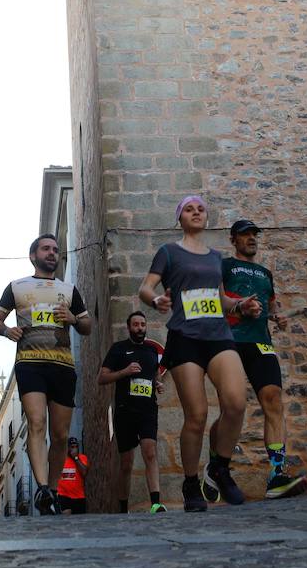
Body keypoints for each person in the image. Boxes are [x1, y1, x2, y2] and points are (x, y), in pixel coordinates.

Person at [138, 195, 261, 512]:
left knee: (235, 402)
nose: (196, 213)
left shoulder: (215, 257)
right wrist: (156, 302)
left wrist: (239, 305)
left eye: (201, 209)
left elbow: (219, 298)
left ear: (207, 217)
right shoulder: (168, 252)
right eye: (189, 209)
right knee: (197, 415)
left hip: (219, 336)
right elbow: (146, 288)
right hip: (185, 338)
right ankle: (190, 482)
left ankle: (220, 465)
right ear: (180, 218)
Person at [0, 234, 93, 515]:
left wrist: (73, 319)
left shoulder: (69, 290)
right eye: (46, 249)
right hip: (30, 362)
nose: (52, 253)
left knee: (59, 435)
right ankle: (43, 488)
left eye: (56, 250)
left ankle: (55, 488)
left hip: (62, 365)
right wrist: (7, 330)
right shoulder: (17, 287)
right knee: (36, 422)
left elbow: (86, 325)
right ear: (33, 256)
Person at [222, 219, 307, 500]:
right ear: (233, 239)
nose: (252, 239)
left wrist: (279, 317)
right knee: (231, 407)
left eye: (254, 235)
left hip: (261, 342)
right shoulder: (224, 266)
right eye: (245, 235)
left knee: (273, 399)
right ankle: (218, 467)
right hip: (231, 339)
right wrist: (239, 306)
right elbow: (216, 299)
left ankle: (276, 474)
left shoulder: (265, 273)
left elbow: (271, 308)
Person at [99, 311, 168, 512]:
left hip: (147, 409)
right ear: (129, 327)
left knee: (150, 452)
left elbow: (154, 375)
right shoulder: (118, 349)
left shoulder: (151, 351)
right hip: (125, 410)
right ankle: (123, 507)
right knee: (126, 463)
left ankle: (155, 502)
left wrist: (158, 384)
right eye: (136, 325)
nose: (139, 328)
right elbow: (101, 378)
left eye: (142, 324)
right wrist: (124, 372)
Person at [57, 438, 90, 514]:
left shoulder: (82, 458)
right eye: (72, 447)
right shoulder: (61, 459)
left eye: (76, 447)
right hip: (64, 496)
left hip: (79, 497)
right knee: (66, 519)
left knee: (80, 522)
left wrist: (76, 458)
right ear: (67, 448)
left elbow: (84, 472)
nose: (74, 449)